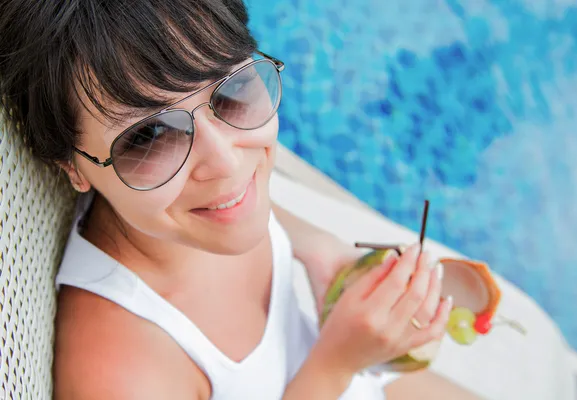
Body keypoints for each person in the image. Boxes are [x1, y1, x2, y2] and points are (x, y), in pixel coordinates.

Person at [0, 1, 481, 398]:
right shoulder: (122, 364)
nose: (228, 163)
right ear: (71, 167)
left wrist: (320, 249)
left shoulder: (194, 210)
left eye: (231, 91)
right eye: (148, 136)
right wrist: (335, 365)